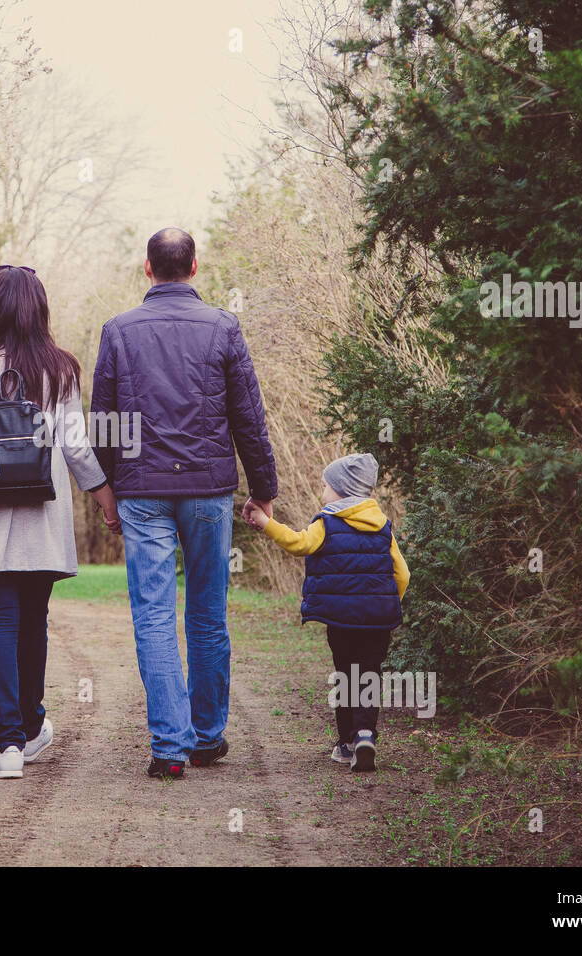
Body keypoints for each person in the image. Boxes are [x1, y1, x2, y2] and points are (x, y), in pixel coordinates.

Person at [91, 227, 278, 779]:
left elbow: (104, 422)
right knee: (206, 612)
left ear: (147, 269)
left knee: (153, 614)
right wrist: (263, 489)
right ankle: (205, 737)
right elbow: (249, 417)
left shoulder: (119, 331)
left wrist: (108, 490)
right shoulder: (223, 326)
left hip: (143, 491)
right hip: (208, 490)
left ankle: (169, 748)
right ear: (194, 267)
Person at [0, 264, 122, 780]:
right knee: (34, 622)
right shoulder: (58, 368)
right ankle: (32, 723)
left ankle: (11, 743)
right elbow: (76, 447)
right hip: (42, 513)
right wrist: (106, 499)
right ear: (39, 309)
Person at [245, 452, 409, 772]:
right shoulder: (383, 527)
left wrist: (266, 523)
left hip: (341, 619)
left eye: (325, 486)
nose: (322, 492)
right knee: (369, 675)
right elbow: (402, 574)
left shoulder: (327, 522)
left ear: (341, 490)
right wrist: (388, 603)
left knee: (346, 675)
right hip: (377, 620)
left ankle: (346, 744)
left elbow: (298, 544)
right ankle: (365, 735)